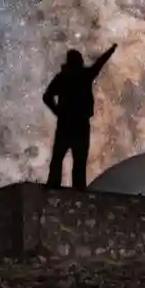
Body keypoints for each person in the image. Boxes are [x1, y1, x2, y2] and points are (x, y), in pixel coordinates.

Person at [43, 44, 118, 190]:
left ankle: (54, 185)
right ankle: (76, 189)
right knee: (78, 160)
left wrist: (57, 111)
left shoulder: (64, 77)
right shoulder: (83, 76)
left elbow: (47, 97)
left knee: (61, 158)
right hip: (79, 125)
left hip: (67, 123)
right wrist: (111, 50)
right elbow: (99, 63)